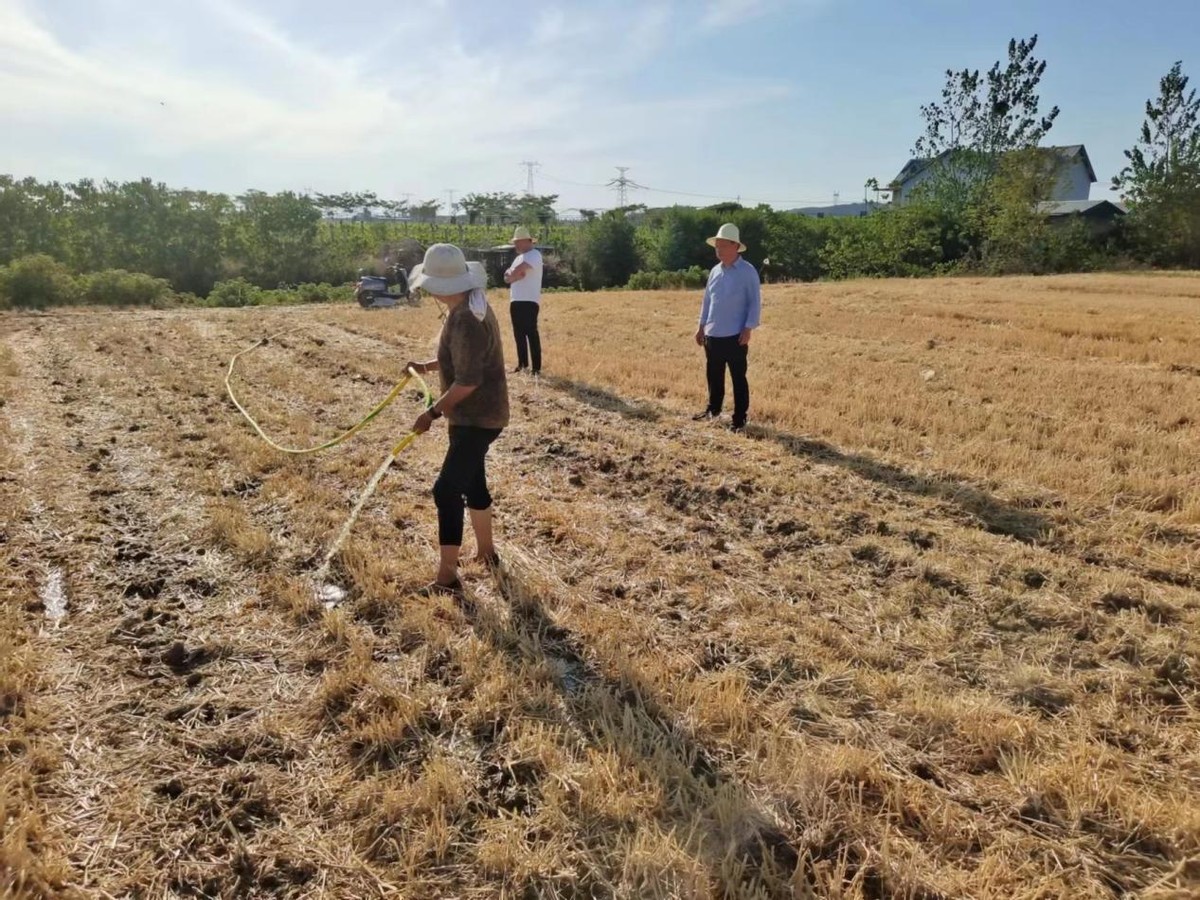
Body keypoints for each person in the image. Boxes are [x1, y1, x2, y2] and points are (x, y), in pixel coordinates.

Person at [405, 244, 510, 595]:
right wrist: (428, 366)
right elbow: (464, 360)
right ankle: (487, 553)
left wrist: (432, 412)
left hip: (477, 417)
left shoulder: (465, 317)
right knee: (472, 483)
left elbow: (468, 380)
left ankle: (447, 578)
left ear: (439, 287)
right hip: (478, 415)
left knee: (446, 489)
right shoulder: (470, 306)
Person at [693, 222, 761, 433]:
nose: (718, 249)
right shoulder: (715, 271)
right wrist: (701, 326)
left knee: (738, 378)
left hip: (735, 336)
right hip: (712, 334)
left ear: (734, 246)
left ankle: (739, 419)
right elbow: (707, 301)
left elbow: (754, 302)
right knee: (714, 375)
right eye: (717, 246)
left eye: (722, 245)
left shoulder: (747, 272)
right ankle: (713, 410)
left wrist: (748, 328)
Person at [503, 225, 543, 375]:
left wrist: (513, 275)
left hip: (529, 300)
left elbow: (515, 272)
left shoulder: (534, 254)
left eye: (518, 242)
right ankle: (522, 364)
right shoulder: (518, 258)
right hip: (516, 300)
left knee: (531, 333)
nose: (516, 245)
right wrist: (513, 275)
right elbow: (506, 277)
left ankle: (536, 368)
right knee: (518, 333)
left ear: (527, 241)